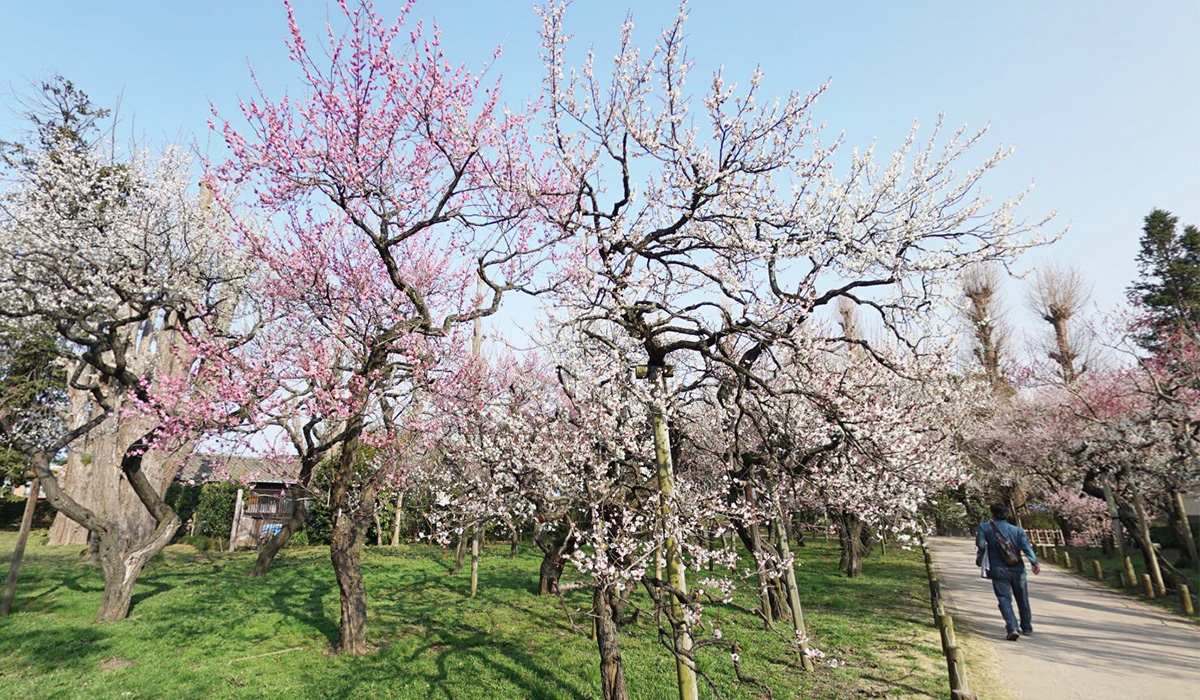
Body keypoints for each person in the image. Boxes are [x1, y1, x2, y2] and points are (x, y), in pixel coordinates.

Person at [976, 503, 1040, 641]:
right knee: (1022, 598)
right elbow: (1026, 547)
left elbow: (980, 545)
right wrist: (1034, 562)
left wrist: (985, 550)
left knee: (1004, 599)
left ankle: (1012, 627)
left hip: (998, 569)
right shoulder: (1018, 530)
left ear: (992, 514)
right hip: (1018, 569)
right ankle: (1026, 626)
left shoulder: (984, 527)